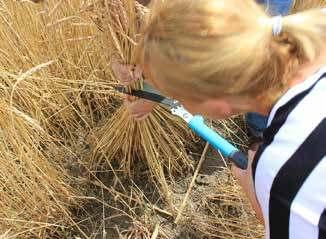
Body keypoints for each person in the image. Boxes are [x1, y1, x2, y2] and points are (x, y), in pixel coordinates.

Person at [134, 1, 326, 239]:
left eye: (177, 97)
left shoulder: (283, 174)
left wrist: (259, 201)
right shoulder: (314, 24)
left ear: (216, 104)